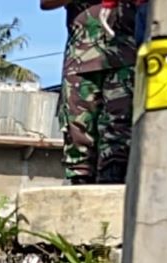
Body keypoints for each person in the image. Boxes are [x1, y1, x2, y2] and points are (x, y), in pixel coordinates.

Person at [42, 0, 137, 185]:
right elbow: (46, 3)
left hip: (125, 58)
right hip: (80, 61)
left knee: (119, 143)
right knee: (79, 150)